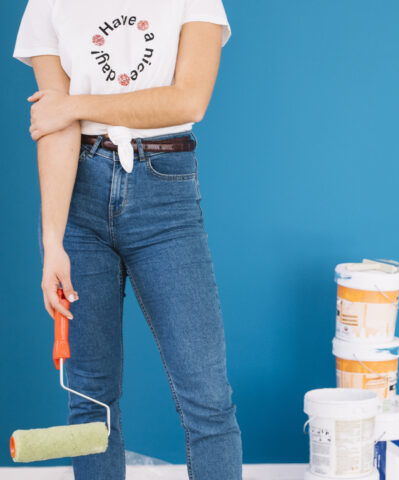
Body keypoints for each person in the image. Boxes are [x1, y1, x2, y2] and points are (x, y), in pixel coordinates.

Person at [12, 1, 242, 479]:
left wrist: (75, 104)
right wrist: (53, 243)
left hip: (165, 192)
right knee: (90, 400)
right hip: (78, 198)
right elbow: (55, 127)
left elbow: (189, 100)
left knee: (208, 400)